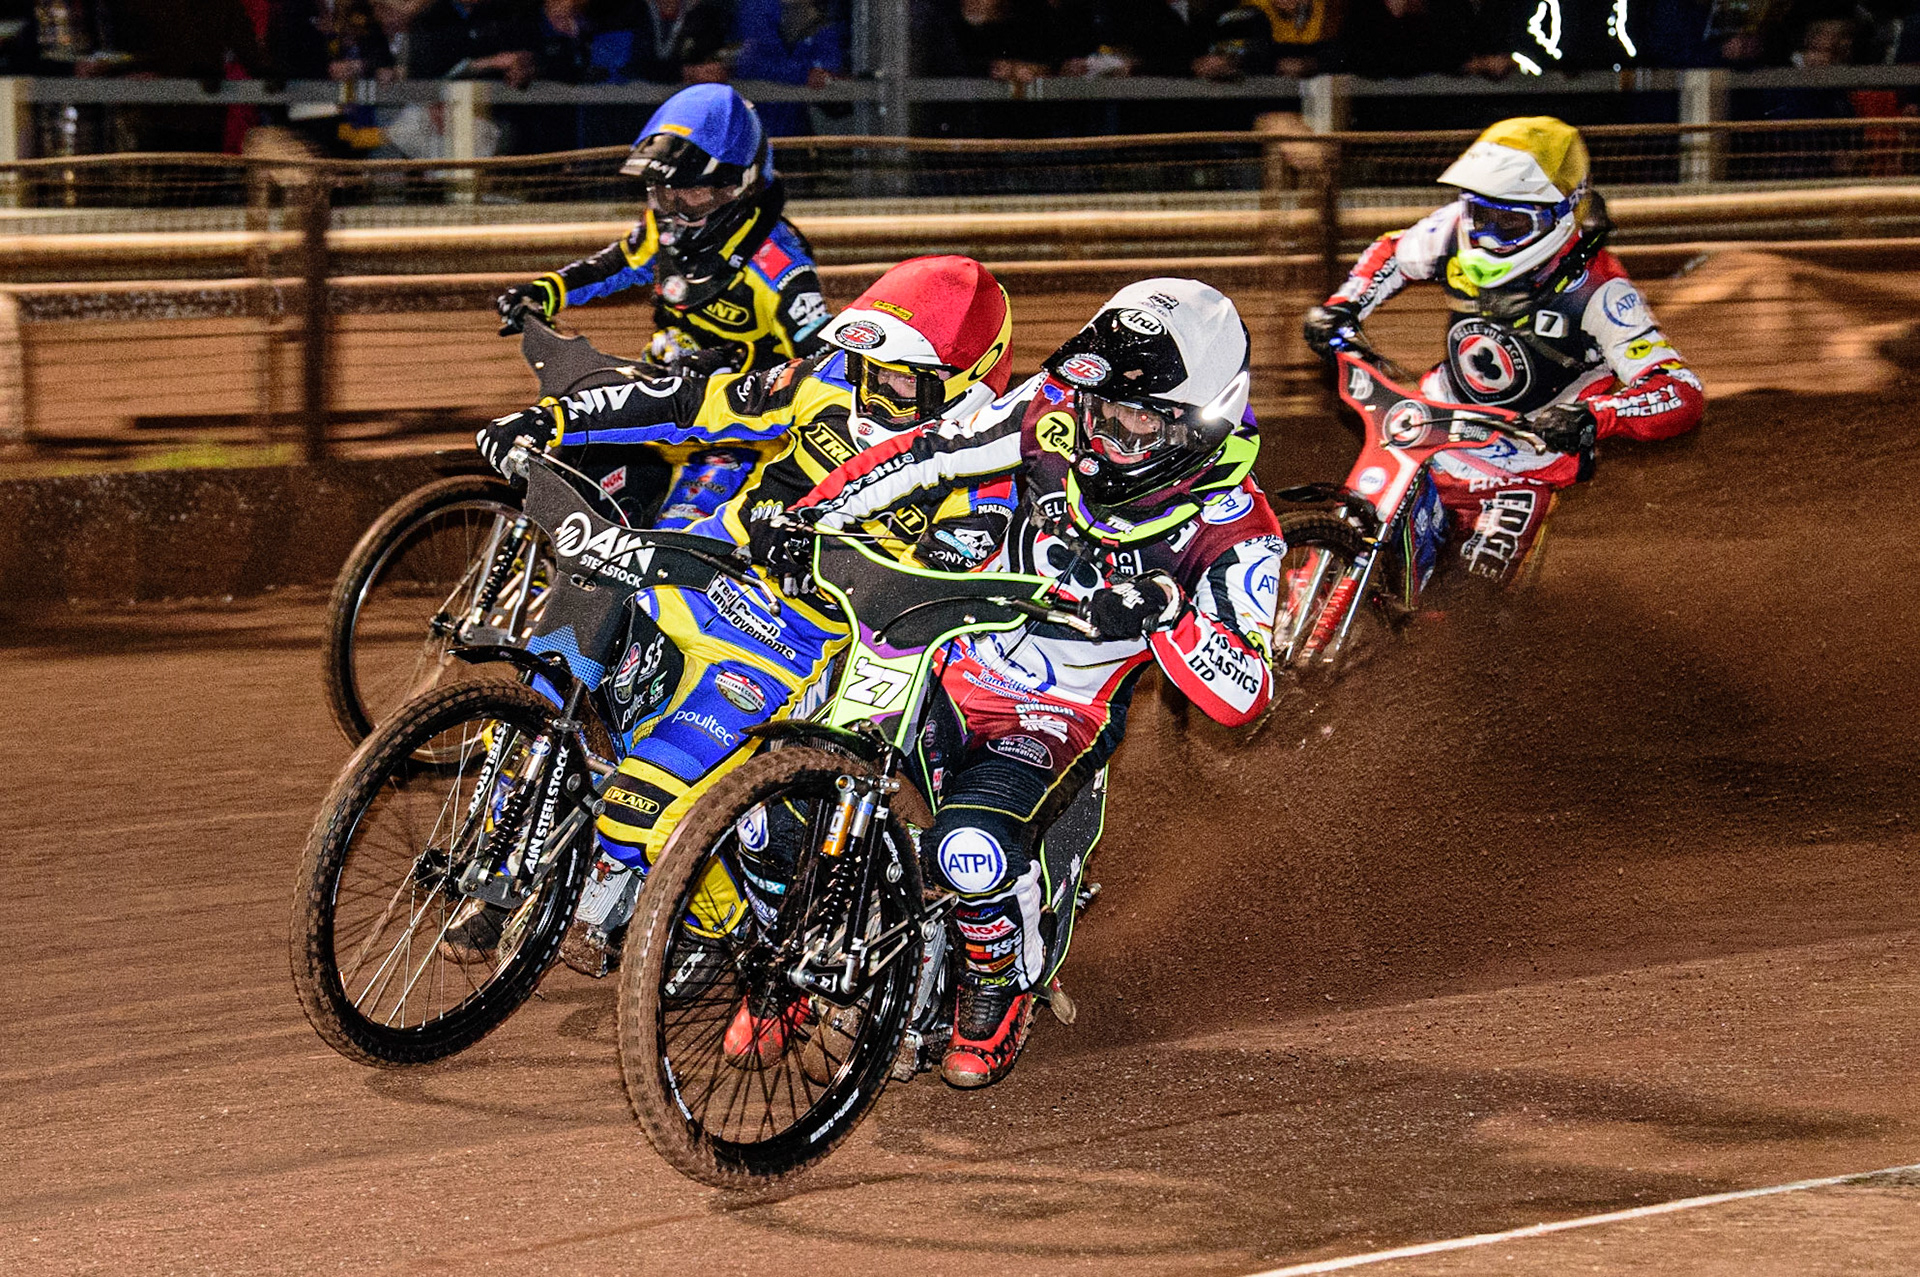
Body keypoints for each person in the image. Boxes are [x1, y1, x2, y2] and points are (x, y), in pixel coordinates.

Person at [780, 279, 1285, 1088]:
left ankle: (995, 983)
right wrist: (807, 516)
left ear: (1202, 421)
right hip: (943, 655)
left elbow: (1248, 693)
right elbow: (927, 451)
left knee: (967, 848)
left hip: (1057, 713)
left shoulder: (1235, 530)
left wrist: (1168, 613)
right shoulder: (1055, 406)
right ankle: (802, 942)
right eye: (1100, 407)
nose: (1106, 430)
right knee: (805, 769)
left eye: (1136, 418)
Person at [468, 255, 1018, 977]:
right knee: (565, 642)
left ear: (967, 386)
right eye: (867, 364)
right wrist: (554, 419)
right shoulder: (823, 382)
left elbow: (936, 590)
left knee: (646, 801)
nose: (871, 388)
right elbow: (682, 401)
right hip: (702, 574)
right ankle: (518, 826)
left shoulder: (987, 471)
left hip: (802, 640)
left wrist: (824, 559)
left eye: (897, 379)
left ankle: (718, 925)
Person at [1304, 117, 1705, 585]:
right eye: (1481, 217)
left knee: (1478, 600)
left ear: (1561, 215)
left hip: (1524, 461)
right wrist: (1343, 306)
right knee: (1353, 527)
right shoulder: (1457, 226)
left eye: (1510, 224)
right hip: (1432, 427)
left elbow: (1679, 388)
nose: (1488, 235)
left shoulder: (1600, 290)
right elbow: (1393, 252)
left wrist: (1595, 416)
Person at [494, 83, 830, 376]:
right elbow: (615, 265)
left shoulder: (781, 267)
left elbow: (822, 361)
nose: (678, 211)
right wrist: (544, 291)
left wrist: (735, 359)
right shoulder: (663, 225)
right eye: (666, 194)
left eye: (694, 194)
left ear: (740, 188)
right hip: (664, 386)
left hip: (746, 414)